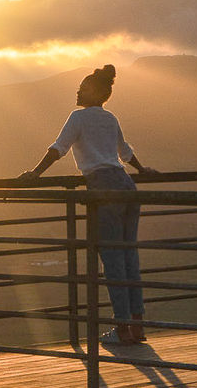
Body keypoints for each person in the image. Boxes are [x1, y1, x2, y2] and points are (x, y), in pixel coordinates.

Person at [18, 64, 158, 344]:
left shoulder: (78, 117)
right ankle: (137, 325)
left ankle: (121, 329)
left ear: (95, 91)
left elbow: (59, 148)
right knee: (130, 255)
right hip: (127, 186)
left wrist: (35, 173)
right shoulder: (110, 118)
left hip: (102, 187)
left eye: (83, 86)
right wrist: (142, 171)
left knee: (113, 260)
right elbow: (125, 152)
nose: (78, 89)